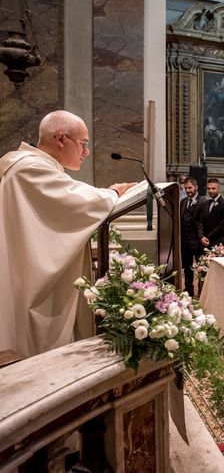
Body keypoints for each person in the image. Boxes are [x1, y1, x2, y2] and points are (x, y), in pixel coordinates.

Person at [0, 110, 135, 358]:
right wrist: (113, 192)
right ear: (60, 138)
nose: (87, 152)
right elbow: (75, 201)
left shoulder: (30, 165)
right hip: (27, 281)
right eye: (83, 144)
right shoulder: (29, 169)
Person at [180, 177, 207, 297]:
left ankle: (202, 291)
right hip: (185, 241)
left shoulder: (203, 202)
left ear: (196, 187)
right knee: (187, 267)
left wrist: (201, 237)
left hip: (198, 241)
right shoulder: (183, 202)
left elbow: (204, 222)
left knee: (201, 268)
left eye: (190, 188)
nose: (187, 190)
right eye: (186, 188)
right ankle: (188, 289)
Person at [195, 178, 224, 249]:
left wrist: (208, 237)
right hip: (203, 242)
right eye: (208, 189)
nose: (210, 191)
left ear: (219, 188)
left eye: (213, 188)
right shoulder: (205, 203)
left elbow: (223, 225)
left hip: (218, 243)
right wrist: (201, 236)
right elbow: (200, 221)